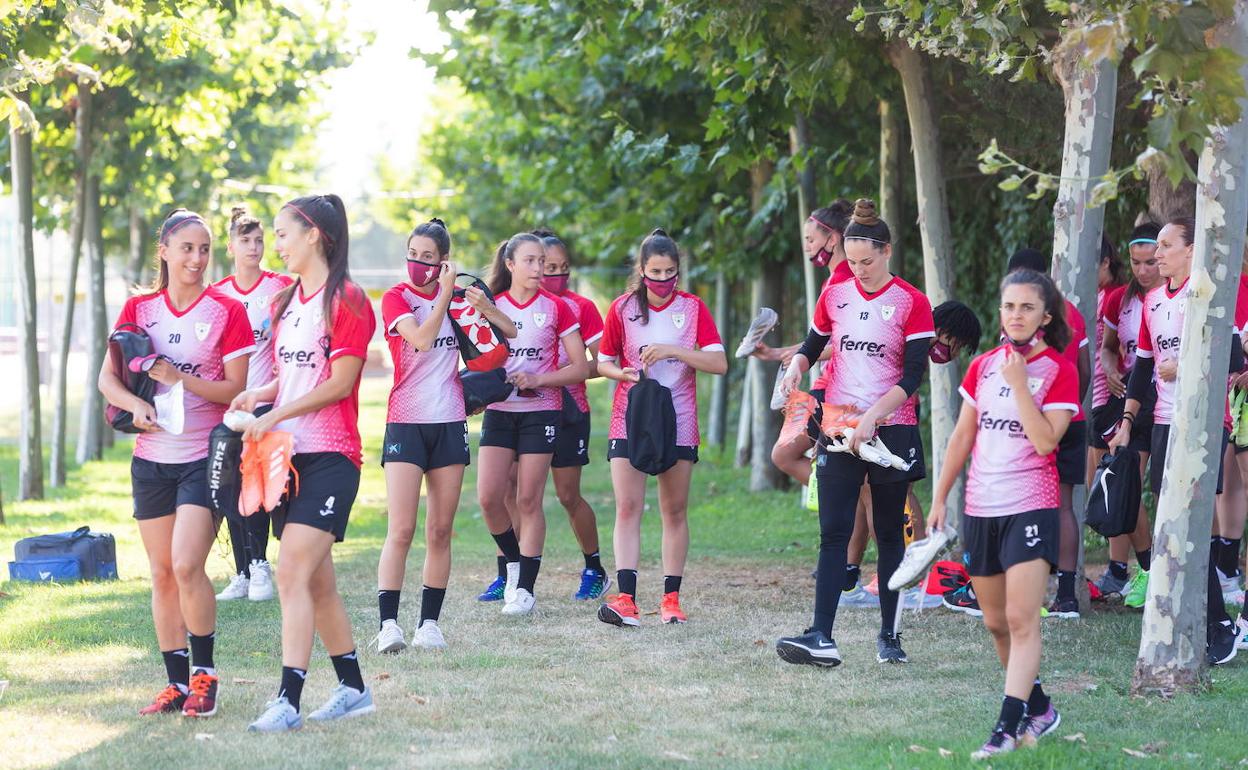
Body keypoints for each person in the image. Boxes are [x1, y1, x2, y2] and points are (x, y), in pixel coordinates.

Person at [97, 209, 254, 718]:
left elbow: (235, 388)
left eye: (205, 249)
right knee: (162, 573)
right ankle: (175, 683)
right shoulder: (139, 309)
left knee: (188, 564)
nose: (197, 258)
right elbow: (108, 380)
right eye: (187, 248)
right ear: (163, 250)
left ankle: (205, 677)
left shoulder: (228, 310)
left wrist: (178, 377)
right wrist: (137, 404)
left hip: (203, 457)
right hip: (151, 459)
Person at [238, 194, 379, 732]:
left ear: (314, 235)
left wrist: (276, 414)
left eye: (282, 234)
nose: (275, 244)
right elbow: (294, 375)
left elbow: (339, 383)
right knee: (317, 584)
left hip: (333, 457)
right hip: (289, 458)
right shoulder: (284, 302)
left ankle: (287, 701)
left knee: (292, 568)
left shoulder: (348, 298)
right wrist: (259, 396)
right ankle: (354, 689)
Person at [774, 199, 933, 665]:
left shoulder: (912, 301)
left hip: (892, 429)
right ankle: (820, 635)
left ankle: (889, 636)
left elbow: (912, 377)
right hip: (839, 425)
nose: (859, 270)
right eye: (853, 260)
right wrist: (795, 370)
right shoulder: (835, 295)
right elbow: (812, 345)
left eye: (868, 261)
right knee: (833, 533)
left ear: (887, 252)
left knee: (888, 533)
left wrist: (874, 418)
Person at [929, 268, 1077, 759]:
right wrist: (938, 498)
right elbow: (963, 437)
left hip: (1032, 505)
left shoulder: (1059, 369)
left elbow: (1044, 440)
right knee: (995, 622)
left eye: (1027, 307)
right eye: (1009, 306)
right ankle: (1040, 707)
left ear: (1045, 316)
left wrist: (1019, 384)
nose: (1017, 315)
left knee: (1021, 618)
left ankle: (1005, 728)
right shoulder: (983, 365)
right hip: (980, 507)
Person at [373, 218, 515, 653]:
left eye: (427, 257)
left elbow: (507, 336)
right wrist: (442, 298)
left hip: (450, 420)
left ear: (443, 261)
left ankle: (428, 624)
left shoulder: (459, 301)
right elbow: (419, 338)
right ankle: (389, 626)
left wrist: (481, 305)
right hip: (406, 421)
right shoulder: (397, 298)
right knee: (401, 528)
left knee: (440, 530)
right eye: (412, 255)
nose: (417, 263)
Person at [1108, 216, 1243, 666]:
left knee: (1192, 520)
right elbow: (1143, 369)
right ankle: (1185, 617)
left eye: (1167, 246)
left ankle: (1220, 622)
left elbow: (1234, 359)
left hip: (1205, 420)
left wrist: (1184, 367)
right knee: (1169, 524)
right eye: (1157, 247)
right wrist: (1127, 421)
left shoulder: (1206, 295)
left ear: (1190, 251)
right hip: (1163, 422)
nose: (1158, 254)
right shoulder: (1149, 301)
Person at [596, 228, 727, 627]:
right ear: (641, 270)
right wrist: (624, 373)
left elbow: (718, 364)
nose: (663, 281)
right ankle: (626, 599)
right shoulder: (622, 309)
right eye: (655, 272)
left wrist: (673, 350)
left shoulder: (692, 308)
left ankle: (671, 599)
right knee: (628, 506)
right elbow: (601, 363)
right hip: (630, 417)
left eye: (670, 272)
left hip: (679, 420)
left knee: (673, 509)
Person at [476, 232, 588, 616]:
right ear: (510, 265)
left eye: (542, 261)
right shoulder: (492, 305)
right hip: (500, 411)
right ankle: (512, 564)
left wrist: (539, 379)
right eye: (530, 261)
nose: (539, 268)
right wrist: (476, 391)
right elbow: (475, 357)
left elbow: (579, 367)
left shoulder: (557, 308)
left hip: (543, 411)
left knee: (527, 499)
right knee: (489, 498)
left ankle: (524, 589)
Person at [212, 206, 292, 603]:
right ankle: (242, 570)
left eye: (260, 240)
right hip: (229, 406)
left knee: (256, 484)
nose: (255, 247)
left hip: (268, 402)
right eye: (245, 241)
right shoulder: (218, 294)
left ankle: (260, 565)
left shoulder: (280, 287)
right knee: (229, 487)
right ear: (230, 246)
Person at [1006, 248, 1089, 619]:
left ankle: (1030, 591)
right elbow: (1083, 371)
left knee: (1027, 506)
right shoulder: (1073, 313)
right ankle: (1067, 596)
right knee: (1063, 506)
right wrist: (1068, 405)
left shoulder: (1020, 315)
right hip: (1071, 418)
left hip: (1031, 421)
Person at [535, 228, 610, 600]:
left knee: (567, 496)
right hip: (525, 409)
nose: (557, 276)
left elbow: (603, 360)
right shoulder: (514, 304)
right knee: (511, 492)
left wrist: (568, 372)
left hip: (569, 409)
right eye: (550, 267)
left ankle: (594, 567)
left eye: (564, 268)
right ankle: (512, 573)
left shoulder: (582, 307)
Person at [1093, 223, 1161, 603]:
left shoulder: (1175, 298)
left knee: (1161, 489)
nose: (1142, 270)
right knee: (1122, 482)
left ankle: (1158, 569)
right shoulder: (1120, 298)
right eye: (1136, 262)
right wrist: (1109, 367)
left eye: (1150, 262)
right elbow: (1107, 347)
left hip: (1168, 401)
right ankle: (1134, 568)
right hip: (1131, 399)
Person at [1086, 236, 1128, 487]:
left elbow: (1122, 346)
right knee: (1096, 488)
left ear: (1105, 263)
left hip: (1108, 397)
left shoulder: (1116, 296)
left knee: (1109, 488)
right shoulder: (1095, 294)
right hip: (1092, 398)